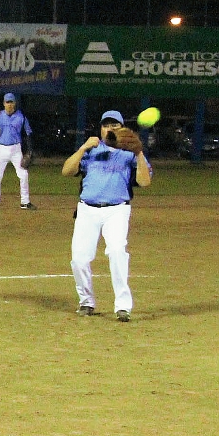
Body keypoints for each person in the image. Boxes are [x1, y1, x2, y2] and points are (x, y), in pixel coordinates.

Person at [61, 110, 152, 322]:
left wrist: (139, 153)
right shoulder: (91, 150)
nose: (109, 129)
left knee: (118, 251)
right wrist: (83, 147)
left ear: (122, 129)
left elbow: (145, 182)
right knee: (79, 259)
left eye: (114, 125)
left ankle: (123, 306)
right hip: (87, 210)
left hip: (117, 210)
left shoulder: (129, 152)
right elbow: (66, 171)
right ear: (100, 128)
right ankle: (86, 301)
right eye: (106, 125)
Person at [0, 92, 35, 210]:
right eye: (7, 102)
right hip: (1, 149)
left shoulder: (21, 116)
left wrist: (29, 150)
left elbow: (28, 134)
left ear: (14, 103)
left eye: (11, 102)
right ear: (3, 103)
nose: (9, 104)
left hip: (16, 150)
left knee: (23, 175)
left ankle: (25, 202)